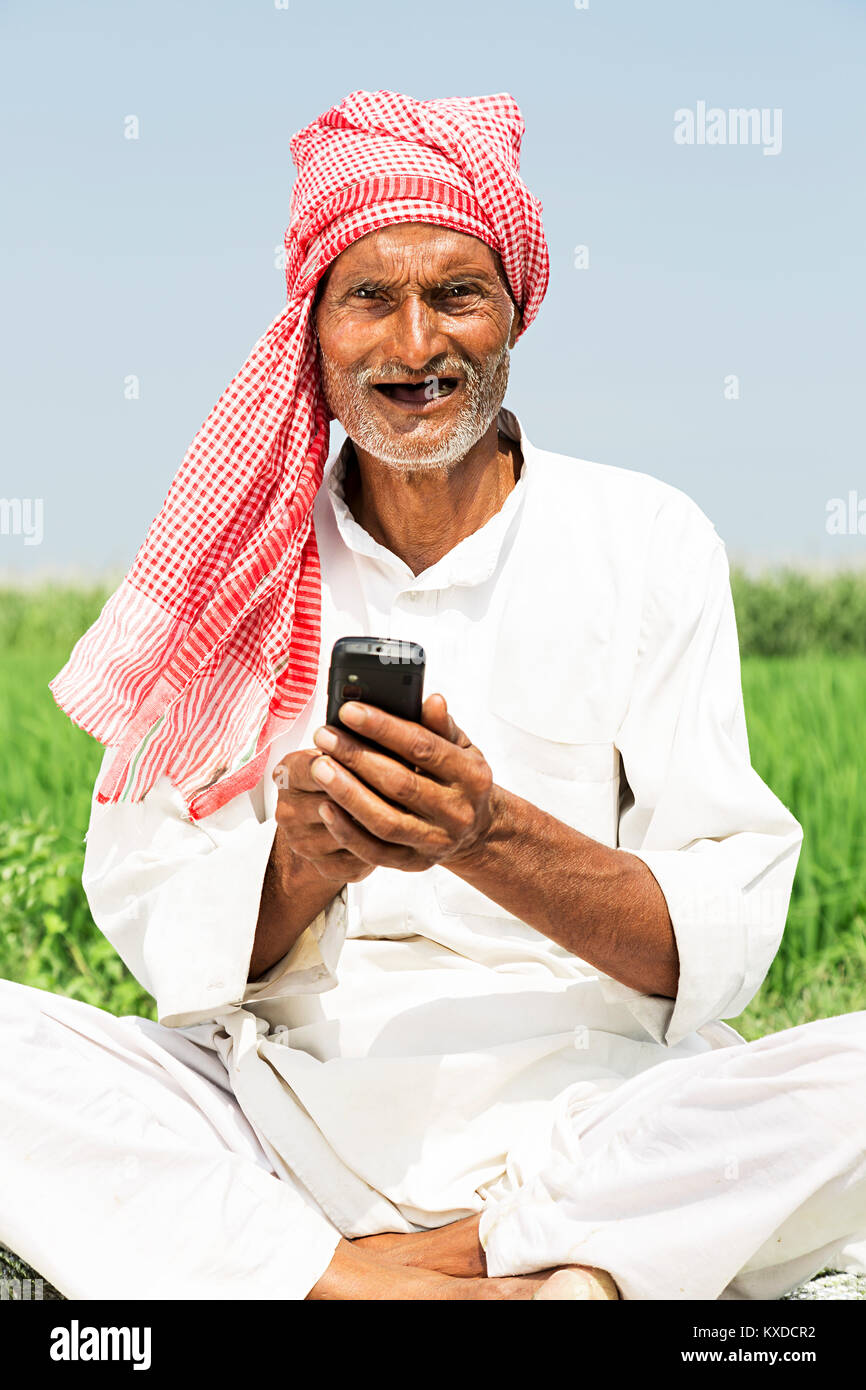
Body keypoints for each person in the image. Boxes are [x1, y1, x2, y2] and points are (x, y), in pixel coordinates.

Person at [1, 89, 864, 1302]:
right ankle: (463, 1275)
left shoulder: (645, 537)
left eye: (456, 293)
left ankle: (385, 1270)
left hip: (587, 1112)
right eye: (369, 298)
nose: (413, 346)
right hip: (280, 1105)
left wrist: (483, 834)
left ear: (516, 310)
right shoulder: (238, 558)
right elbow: (155, 933)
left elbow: (710, 942)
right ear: (313, 326)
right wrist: (300, 859)